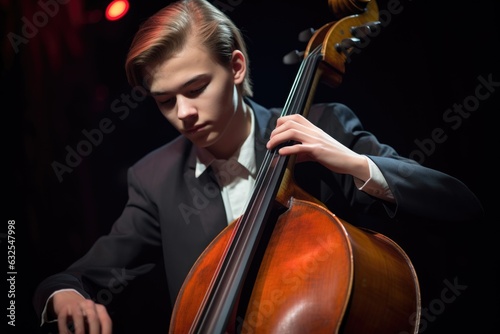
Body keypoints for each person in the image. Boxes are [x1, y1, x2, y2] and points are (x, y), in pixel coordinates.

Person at [33, 0, 484, 333]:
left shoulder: (323, 126)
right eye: (165, 101)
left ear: (235, 66)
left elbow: (459, 205)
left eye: (195, 88)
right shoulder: (155, 179)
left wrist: (353, 163)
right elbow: (76, 276)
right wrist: (64, 292)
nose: (183, 113)